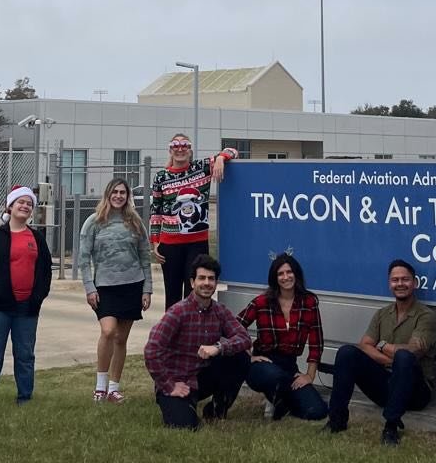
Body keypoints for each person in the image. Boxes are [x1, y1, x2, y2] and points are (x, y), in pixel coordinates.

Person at [324, 259, 436, 443]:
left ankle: (391, 427)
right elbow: (364, 345)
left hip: (416, 392)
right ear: (389, 284)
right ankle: (336, 421)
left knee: (404, 357)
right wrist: (389, 360)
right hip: (386, 384)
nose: (400, 284)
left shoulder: (427, 316)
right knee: (347, 353)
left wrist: (383, 346)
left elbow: (413, 351)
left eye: (405, 279)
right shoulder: (382, 314)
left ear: (415, 283)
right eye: (395, 280)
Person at [143, 253, 251, 429]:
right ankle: (180, 405)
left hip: (202, 377)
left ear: (216, 283)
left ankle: (216, 411)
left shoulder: (220, 311)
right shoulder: (177, 313)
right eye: (201, 278)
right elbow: (151, 351)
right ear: (192, 283)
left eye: (211, 279)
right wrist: (169, 385)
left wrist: (219, 347)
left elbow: (244, 338)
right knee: (185, 426)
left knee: (240, 358)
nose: (207, 283)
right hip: (177, 379)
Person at [0, 185, 52, 403]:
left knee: (25, 355)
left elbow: (45, 271)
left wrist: (38, 296)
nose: (25, 206)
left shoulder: (36, 238)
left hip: (27, 308)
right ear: (10, 206)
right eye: (21, 202)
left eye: (29, 204)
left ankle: (25, 397)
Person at [78, 177, 154, 403]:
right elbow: (83, 259)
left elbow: (144, 257)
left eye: (123, 192)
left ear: (127, 196)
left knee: (121, 338)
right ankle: (99, 387)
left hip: (132, 285)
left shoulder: (135, 222)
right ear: (108, 194)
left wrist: (147, 289)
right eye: (115, 192)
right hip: (105, 286)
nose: (119, 196)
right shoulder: (93, 222)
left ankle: (113, 388)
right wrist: (89, 288)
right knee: (108, 331)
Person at [237, 253, 329, 422]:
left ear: (296, 274)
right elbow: (234, 327)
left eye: (289, 272)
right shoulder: (261, 302)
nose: (286, 277)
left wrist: (309, 375)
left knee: (318, 411)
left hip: (289, 365)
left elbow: (317, 342)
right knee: (274, 376)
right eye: (280, 273)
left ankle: (281, 401)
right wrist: (249, 356)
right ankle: (275, 397)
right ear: (274, 278)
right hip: (263, 364)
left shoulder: (309, 303)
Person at [149, 135, 237, 308]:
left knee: (194, 294)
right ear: (170, 150)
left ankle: (193, 332)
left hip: (196, 243)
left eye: (185, 145)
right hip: (170, 244)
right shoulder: (161, 177)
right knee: (172, 296)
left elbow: (233, 151)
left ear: (190, 150)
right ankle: (172, 333)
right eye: (175, 145)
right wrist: (155, 241)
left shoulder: (202, 167)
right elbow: (156, 212)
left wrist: (220, 158)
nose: (180, 149)